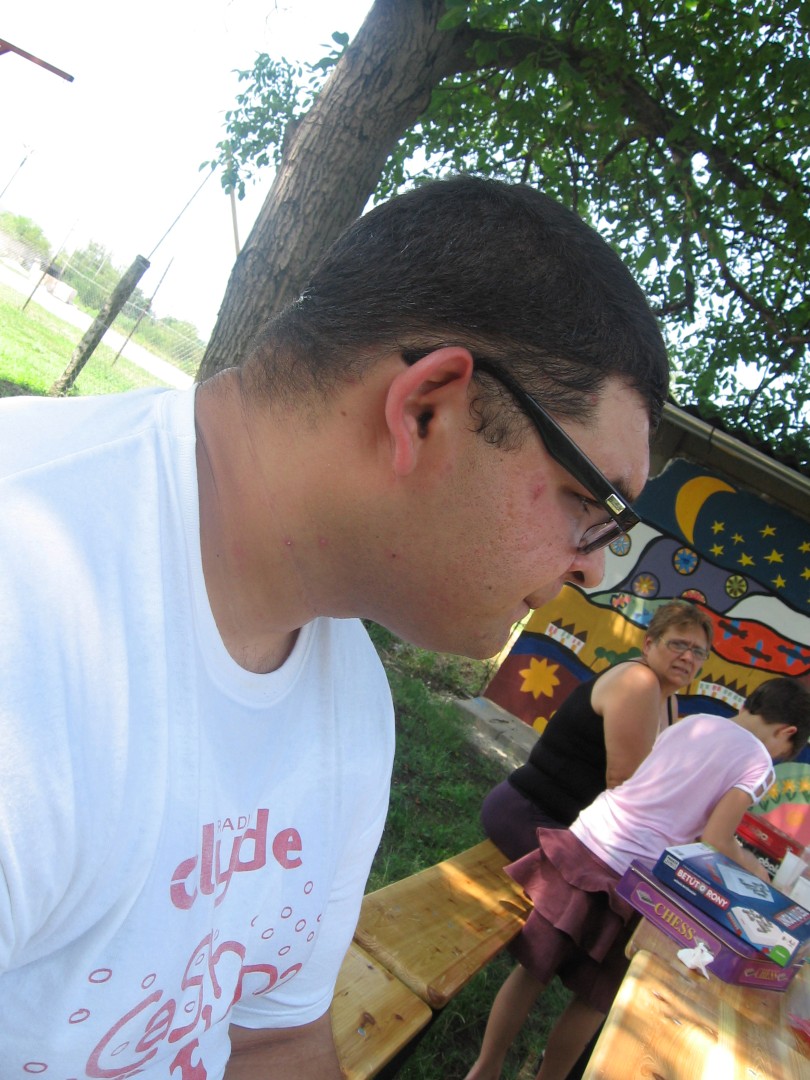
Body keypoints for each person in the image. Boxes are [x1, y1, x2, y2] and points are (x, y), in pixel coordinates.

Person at [0, 175, 669, 1079]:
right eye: (594, 505)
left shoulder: (351, 699)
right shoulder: (29, 594)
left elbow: (271, 1037)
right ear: (427, 409)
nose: (593, 567)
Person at [464, 677, 810, 1080]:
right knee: (595, 998)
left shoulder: (693, 722)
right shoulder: (759, 763)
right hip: (635, 876)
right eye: (784, 754)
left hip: (588, 840)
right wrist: (754, 871)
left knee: (532, 971)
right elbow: (716, 840)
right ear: (787, 733)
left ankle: (485, 1068)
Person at [482, 599, 715, 861]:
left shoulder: (669, 701)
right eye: (678, 644)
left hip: (570, 828)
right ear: (649, 644)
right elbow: (625, 784)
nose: (687, 657)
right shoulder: (638, 681)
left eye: (698, 652)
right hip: (535, 816)